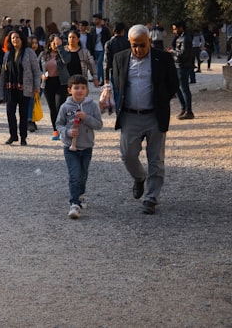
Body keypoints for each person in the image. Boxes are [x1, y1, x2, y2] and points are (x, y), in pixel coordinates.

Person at [112, 24, 178, 215]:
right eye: (134, 45)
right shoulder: (120, 58)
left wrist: (159, 100)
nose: (138, 50)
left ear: (149, 41)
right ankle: (140, 177)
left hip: (154, 116)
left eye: (142, 45)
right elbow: (119, 83)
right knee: (127, 154)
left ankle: (151, 198)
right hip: (131, 116)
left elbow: (173, 84)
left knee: (156, 159)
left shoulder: (162, 58)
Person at [55, 74, 103, 219]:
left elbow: (99, 124)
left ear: (87, 90)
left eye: (83, 88)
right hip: (70, 147)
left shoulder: (92, 106)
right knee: (74, 175)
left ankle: (81, 194)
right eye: (76, 88)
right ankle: (74, 203)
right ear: (70, 90)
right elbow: (59, 124)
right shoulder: (65, 107)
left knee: (83, 174)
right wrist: (67, 132)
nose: (79, 90)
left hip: (86, 146)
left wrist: (86, 118)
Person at [2, 30, 40, 145]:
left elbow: (36, 71)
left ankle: (23, 137)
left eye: (17, 37)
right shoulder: (8, 54)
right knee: (10, 112)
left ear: (22, 39)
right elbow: (4, 72)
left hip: (25, 88)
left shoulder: (29, 52)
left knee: (23, 114)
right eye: (13, 38)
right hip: (10, 87)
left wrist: (36, 87)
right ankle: (13, 135)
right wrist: (1, 88)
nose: (15, 40)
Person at [38, 34, 68, 141]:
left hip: (61, 82)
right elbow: (37, 68)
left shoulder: (63, 53)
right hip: (48, 83)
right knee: (52, 108)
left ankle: (62, 129)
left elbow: (67, 61)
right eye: (54, 43)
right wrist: (41, 75)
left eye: (58, 42)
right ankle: (55, 130)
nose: (56, 45)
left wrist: (60, 48)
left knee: (59, 105)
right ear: (50, 43)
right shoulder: (43, 55)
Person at [170, 20, 195, 119]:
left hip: (183, 66)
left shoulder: (186, 38)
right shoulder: (180, 37)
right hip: (178, 65)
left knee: (184, 88)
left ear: (181, 28)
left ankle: (189, 111)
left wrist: (172, 52)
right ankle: (183, 108)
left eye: (175, 29)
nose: (174, 31)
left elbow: (183, 54)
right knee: (176, 87)